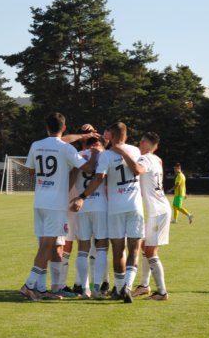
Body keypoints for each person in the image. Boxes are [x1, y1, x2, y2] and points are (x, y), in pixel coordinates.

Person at [19, 112, 97, 301]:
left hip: (39, 201)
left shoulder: (36, 145)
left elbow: (30, 170)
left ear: (47, 128)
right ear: (64, 127)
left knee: (46, 245)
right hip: (56, 203)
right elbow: (88, 168)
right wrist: (95, 152)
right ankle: (29, 285)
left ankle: (42, 288)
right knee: (48, 245)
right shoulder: (66, 149)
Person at [71, 122, 144, 304]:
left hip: (106, 208)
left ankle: (87, 287)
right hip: (117, 205)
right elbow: (136, 171)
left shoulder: (85, 155)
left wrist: (81, 197)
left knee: (91, 249)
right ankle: (116, 286)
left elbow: (95, 177)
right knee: (124, 248)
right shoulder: (134, 151)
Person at [112, 132, 171, 300]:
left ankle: (162, 292)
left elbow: (137, 170)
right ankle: (144, 286)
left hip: (156, 211)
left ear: (144, 143)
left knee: (151, 251)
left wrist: (123, 153)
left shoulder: (145, 159)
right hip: (160, 207)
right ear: (156, 146)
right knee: (146, 246)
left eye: (141, 141)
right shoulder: (157, 159)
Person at [73, 135, 109, 300]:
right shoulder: (105, 155)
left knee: (83, 248)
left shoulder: (79, 155)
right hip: (100, 205)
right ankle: (96, 287)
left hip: (82, 206)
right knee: (101, 247)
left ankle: (84, 288)